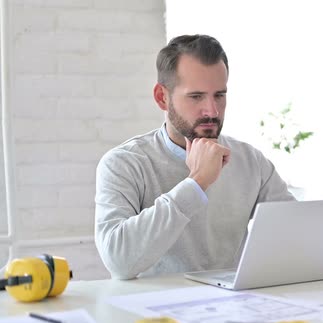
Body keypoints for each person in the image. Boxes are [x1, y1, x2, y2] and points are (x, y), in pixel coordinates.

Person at [94, 34, 294, 280]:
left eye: (219, 95)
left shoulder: (250, 161)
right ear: (162, 98)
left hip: (232, 309)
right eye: (196, 96)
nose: (212, 111)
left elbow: (296, 231)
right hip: (156, 314)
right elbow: (118, 261)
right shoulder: (124, 163)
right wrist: (197, 182)